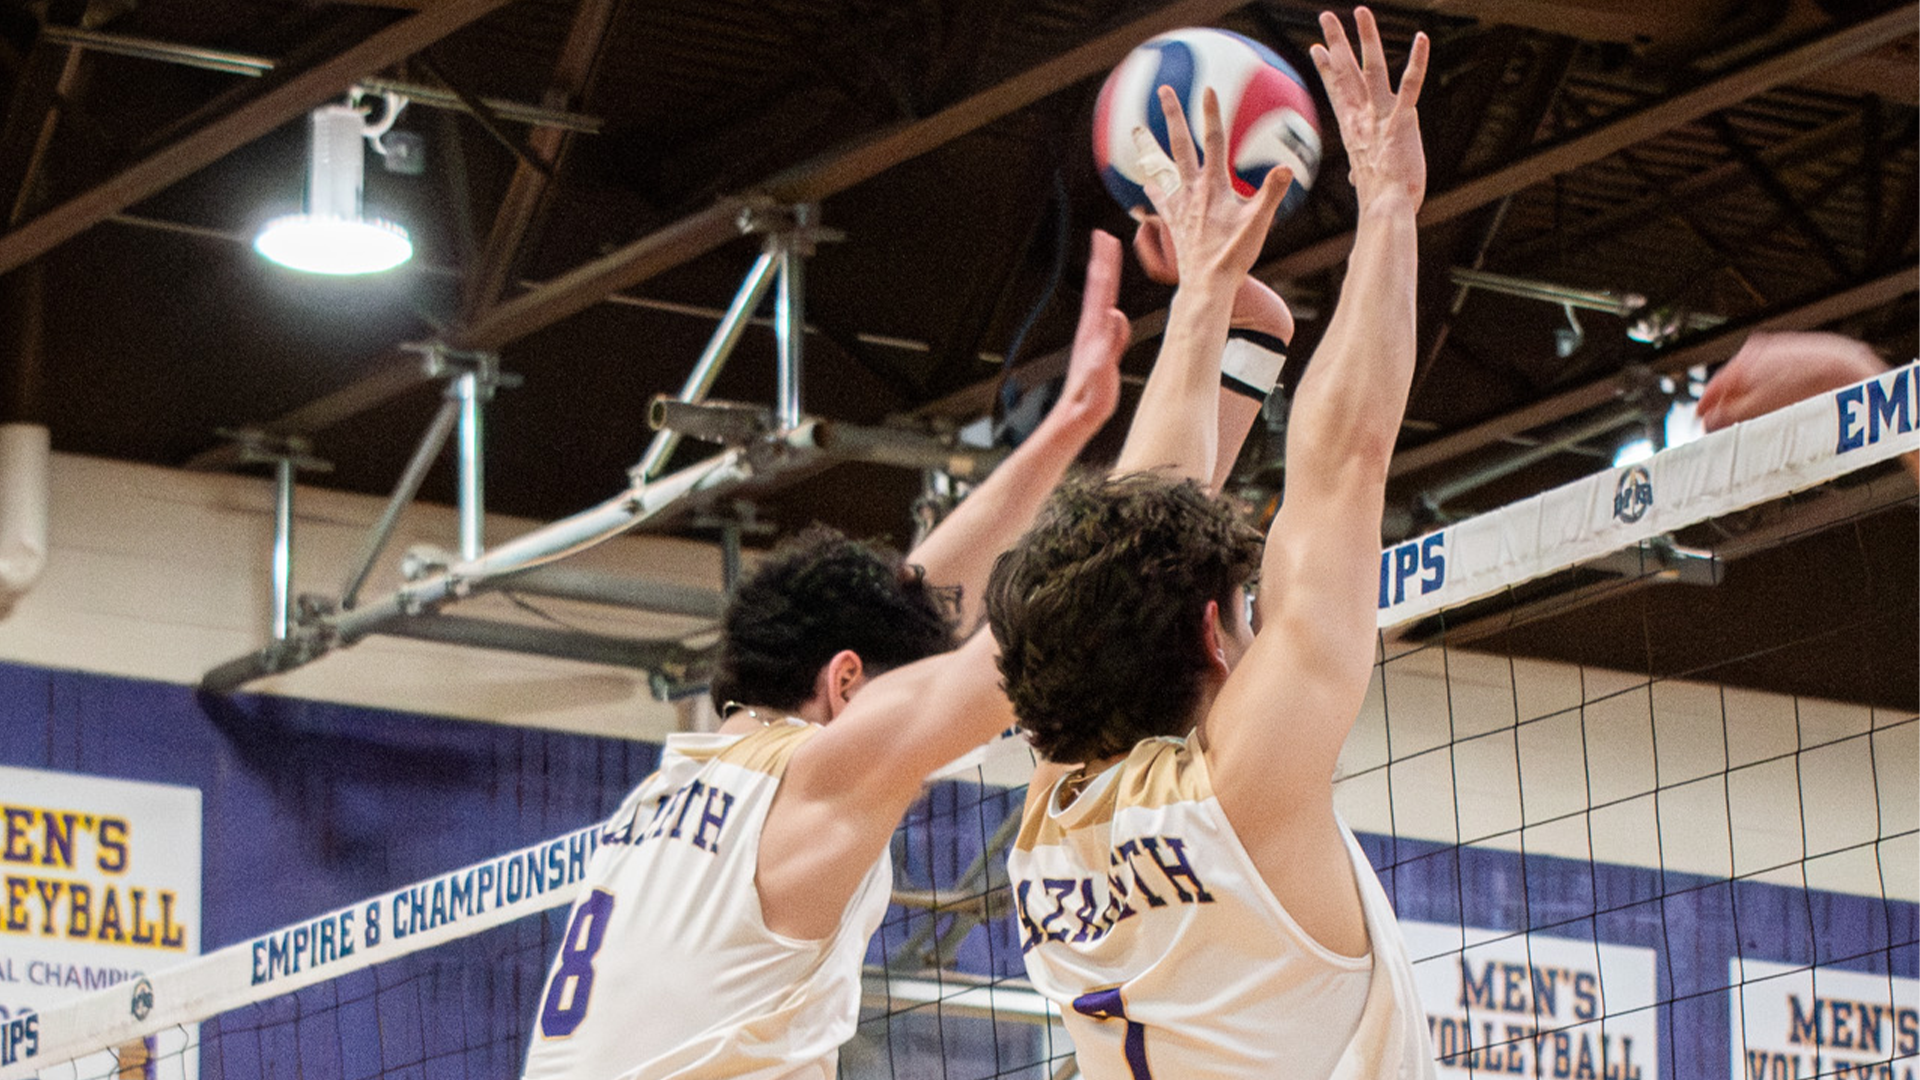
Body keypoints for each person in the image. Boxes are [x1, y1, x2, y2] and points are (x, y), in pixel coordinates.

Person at [518, 229, 1131, 1080]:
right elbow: (1050, 625)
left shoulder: (673, 791)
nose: (918, 765)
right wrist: (1210, 327)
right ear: (844, 683)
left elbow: (909, 608)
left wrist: (1068, 428)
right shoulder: (806, 779)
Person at [986, 9, 1438, 1078]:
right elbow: (1338, 459)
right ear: (1209, 634)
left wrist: (1209, 300)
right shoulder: (1242, 792)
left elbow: (1169, 514)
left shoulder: (1054, 820)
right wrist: (1387, 196)